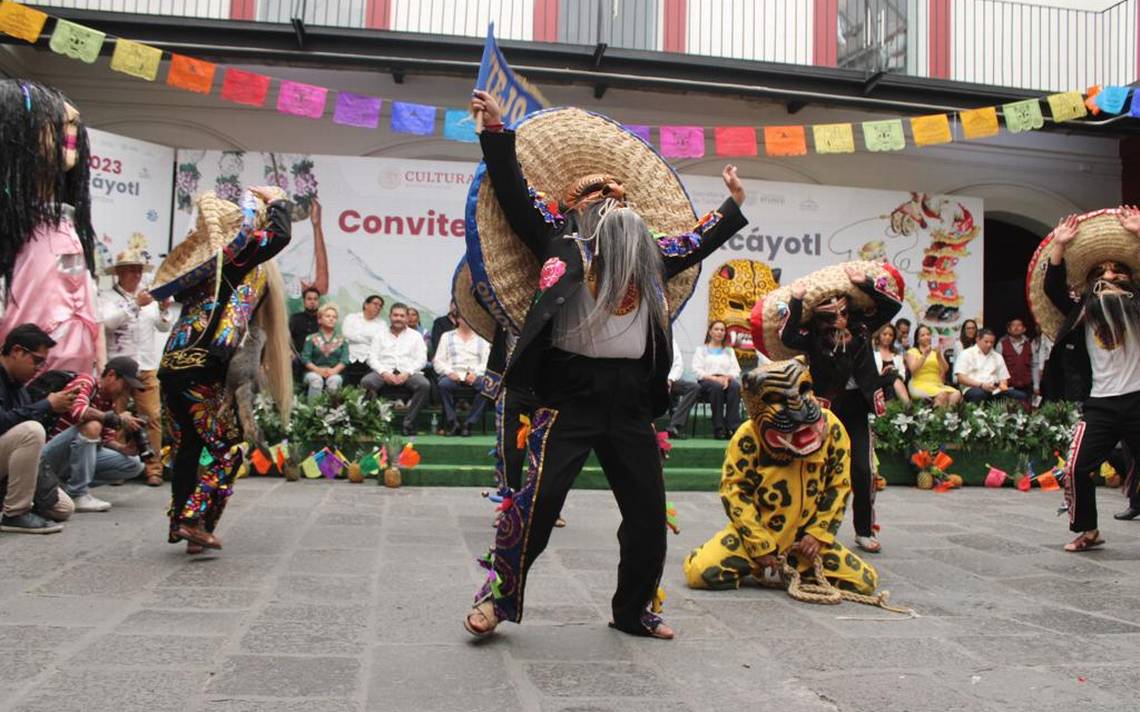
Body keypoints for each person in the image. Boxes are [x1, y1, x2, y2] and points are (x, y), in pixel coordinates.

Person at [463, 91, 747, 640]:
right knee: (537, 507)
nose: (612, 204)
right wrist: (496, 132)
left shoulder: (650, 255)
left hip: (630, 400)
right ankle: (498, 600)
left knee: (646, 515)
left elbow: (698, 239)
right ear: (576, 209)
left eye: (619, 198)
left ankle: (633, 610)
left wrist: (732, 204)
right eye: (598, 198)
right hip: (567, 395)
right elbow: (515, 191)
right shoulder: (558, 241)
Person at [157, 188, 293, 552]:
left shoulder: (197, 270)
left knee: (187, 447)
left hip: (171, 366)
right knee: (228, 448)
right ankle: (191, 518)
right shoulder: (235, 260)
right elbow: (281, 235)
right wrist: (278, 198)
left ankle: (184, 526)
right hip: (202, 369)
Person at [683, 357, 877, 594]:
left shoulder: (832, 427)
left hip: (806, 542)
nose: (797, 410)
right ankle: (757, 564)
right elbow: (733, 491)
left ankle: (799, 567)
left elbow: (838, 487)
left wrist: (818, 535)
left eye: (803, 390)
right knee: (700, 572)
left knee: (865, 582)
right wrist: (759, 544)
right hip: (758, 534)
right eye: (779, 400)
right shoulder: (748, 436)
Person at [768, 263, 902, 555]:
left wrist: (864, 283)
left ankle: (864, 531)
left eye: (844, 312)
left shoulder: (864, 328)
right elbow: (787, 337)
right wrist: (797, 300)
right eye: (833, 315)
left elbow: (891, 306)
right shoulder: (813, 340)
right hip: (827, 410)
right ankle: (806, 531)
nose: (840, 319)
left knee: (863, 471)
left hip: (858, 407)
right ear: (821, 318)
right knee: (816, 470)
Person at [1037, 210, 1140, 552]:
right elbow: (1052, 287)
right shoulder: (1083, 310)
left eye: (1117, 270)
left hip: (1139, 399)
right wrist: (1060, 246)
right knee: (1077, 468)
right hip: (1101, 405)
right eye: (1101, 272)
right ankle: (1088, 530)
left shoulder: (1137, 307)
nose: (1110, 276)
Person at [0, 80, 101, 376]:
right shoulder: (13, 228)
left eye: (73, 123)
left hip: (73, 382)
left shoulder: (68, 227)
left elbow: (85, 301)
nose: (70, 122)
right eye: (54, 120)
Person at [100, 249, 172, 486]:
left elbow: (162, 328)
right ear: (119, 273)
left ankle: (153, 468)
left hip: (147, 366)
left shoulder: (148, 299)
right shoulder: (107, 297)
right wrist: (134, 304)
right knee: (116, 417)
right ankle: (117, 465)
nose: (136, 274)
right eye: (131, 270)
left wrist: (162, 309)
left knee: (152, 417)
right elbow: (108, 324)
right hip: (118, 368)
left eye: (139, 270)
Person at [40, 357, 148, 512]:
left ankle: (64, 487)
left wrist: (123, 448)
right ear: (111, 375)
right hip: (47, 456)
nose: (127, 393)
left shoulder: (109, 402)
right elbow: (79, 412)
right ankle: (77, 494)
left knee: (134, 464)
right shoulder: (86, 381)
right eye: (125, 386)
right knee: (92, 425)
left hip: (70, 458)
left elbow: (104, 439)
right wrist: (117, 419)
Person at [0, 324, 78, 533]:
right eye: (37, 361)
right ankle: (15, 514)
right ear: (17, 351)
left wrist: (55, 409)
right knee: (31, 430)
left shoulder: (19, 386)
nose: (38, 369)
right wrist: (46, 405)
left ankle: (12, 500)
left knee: (63, 508)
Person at [361, 303, 430, 436]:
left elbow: (421, 359)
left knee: (424, 385)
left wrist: (407, 373)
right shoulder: (380, 335)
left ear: (407, 319)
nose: (398, 318)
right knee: (366, 382)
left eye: (402, 316)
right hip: (384, 371)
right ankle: (375, 422)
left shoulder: (416, 336)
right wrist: (384, 372)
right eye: (395, 315)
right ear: (390, 316)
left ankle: (408, 424)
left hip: (408, 372)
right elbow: (372, 358)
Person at [433, 316, 490, 436]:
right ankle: (453, 422)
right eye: (464, 316)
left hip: (475, 374)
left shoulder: (482, 337)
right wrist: (449, 372)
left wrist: (476, 373)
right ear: (457, 319)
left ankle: (469, 423)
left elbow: (487, 362)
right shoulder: (447, 336)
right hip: (453, 373)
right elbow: (438, 361)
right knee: (443, 384)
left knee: (487, 386)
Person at [692, 320, 743, 439]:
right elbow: (697, 370)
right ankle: (719, 428)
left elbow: (735, 370)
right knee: (716, 387)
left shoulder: (729, 351)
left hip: (726, 379)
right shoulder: (701, 350)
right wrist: (714, 378)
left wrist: (726, 378)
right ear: (710, 332)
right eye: (716, 329)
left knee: (735, 386)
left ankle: (732, 427)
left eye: (722, 330)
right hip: (707, 380)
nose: (719, 332)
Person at [953, 328, 1028, 403]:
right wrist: (981, 385)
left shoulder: (997, 356)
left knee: (1021, 396)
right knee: (979, 394)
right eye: (986, 342)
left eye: (992, 342)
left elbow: (1004, 379)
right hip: (973, 388)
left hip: (994, 389)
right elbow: (961, 378)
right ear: (978, 339)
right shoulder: (966, 354)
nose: (989, 345)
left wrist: (1002, 385)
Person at [906, 324, 961, 408]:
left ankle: (947, 416)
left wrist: (938, 355)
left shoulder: (935, 351)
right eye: (923, 335)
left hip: (936, 384)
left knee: (956, 394)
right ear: (917, 339)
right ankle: (937, 418)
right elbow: (913, 370)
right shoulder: (912, 351)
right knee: (942, 395)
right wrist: (924, 355)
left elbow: (945, 369)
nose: (926, 337)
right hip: (920, 383)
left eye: (928, 334)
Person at [301, 303, 347, 399]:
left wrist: (334, 371)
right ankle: (312, 411)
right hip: (313, 372)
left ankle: (332, 412)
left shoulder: (343, 339)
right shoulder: (311, 338)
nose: (331, 319)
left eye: (334, 317)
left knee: (334, 381)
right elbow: (305, 358)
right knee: (316, 380)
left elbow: (345, 360)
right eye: (328, 316)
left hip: (335, 373)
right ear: (320, 320)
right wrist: (318, 370)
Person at [341, 294, 386, 386]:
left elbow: (380, 341)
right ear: (366, 304)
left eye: (380, 306)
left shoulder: (382, 324)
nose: (378, 307)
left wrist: (359, 336)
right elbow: (347, 334)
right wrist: (369, 338)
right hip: (350, 355)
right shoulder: (352, 317)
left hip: (369, 358)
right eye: (375, 304)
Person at [665, 337, 700, 439]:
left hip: (670, 380)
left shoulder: (671, 339)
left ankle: (674, 426)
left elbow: (678, 364)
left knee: (694, 387)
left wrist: (670, 379)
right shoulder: (646, 336)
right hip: (651, 380)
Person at [872, 323, 910, 405]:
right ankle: (908, 405)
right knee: (892, 378)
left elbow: (902, 374)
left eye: (890, 335)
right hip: (877, 383)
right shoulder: (873, 352)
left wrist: (894, 370)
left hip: (892, 385)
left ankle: (891, 413)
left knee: (890, 387)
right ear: (879, 335)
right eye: (884, 334)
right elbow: (869, 372)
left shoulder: (897, 355)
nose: (887, 337)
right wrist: (883, 373)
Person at [996, 317, 1034, 395]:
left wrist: (1036, 385)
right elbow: (997, 366)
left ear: (1024, 329)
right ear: (1008, 329)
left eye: (1019, 325)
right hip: (1008, 387)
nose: (1016, 327)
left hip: (1027, 386)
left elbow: (1034, 365)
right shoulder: (1001, 344)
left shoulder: (1030, 345)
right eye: (1013, 325)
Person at [289, 287, 321, 357]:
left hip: (319, 361)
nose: (312, 302)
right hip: (297, 359)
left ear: (319, 302)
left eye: (315, 299)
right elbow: (287, 338)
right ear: (304, 301)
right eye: (309, 299)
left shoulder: (323, 320)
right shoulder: (295, 318)